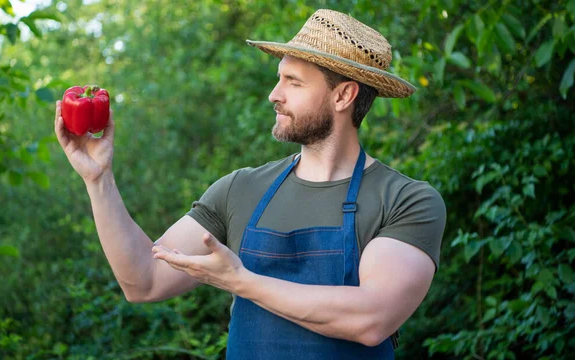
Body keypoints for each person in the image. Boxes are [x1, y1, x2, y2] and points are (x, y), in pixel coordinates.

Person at [54, 9, 445, 360]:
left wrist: (242, 282)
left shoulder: (406, 201)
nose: (274, 95)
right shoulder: (241, 189)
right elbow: (143, 280)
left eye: (293, 82)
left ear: (343, 95)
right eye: (279, 79)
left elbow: (371, 318)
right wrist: (98, 178)